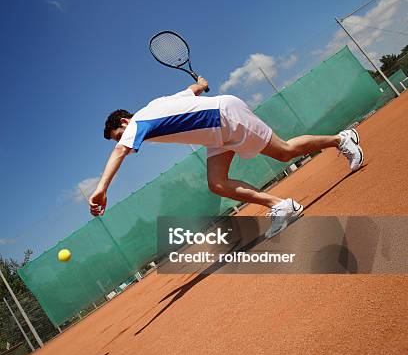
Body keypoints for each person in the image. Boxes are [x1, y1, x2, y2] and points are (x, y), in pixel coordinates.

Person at [88, 76, 363, 236]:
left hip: (225, 117)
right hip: (215, 133)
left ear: (124, 122)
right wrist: (200, 83)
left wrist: (101, 190)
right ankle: (281, 205)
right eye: (118, 137)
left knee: (285, 152)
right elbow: (192, 90)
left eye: (117, 134)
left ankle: (342, 139)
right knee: (216, 183)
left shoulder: (137, 124)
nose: (121, 139)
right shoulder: (155, 106)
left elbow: (120, 150)